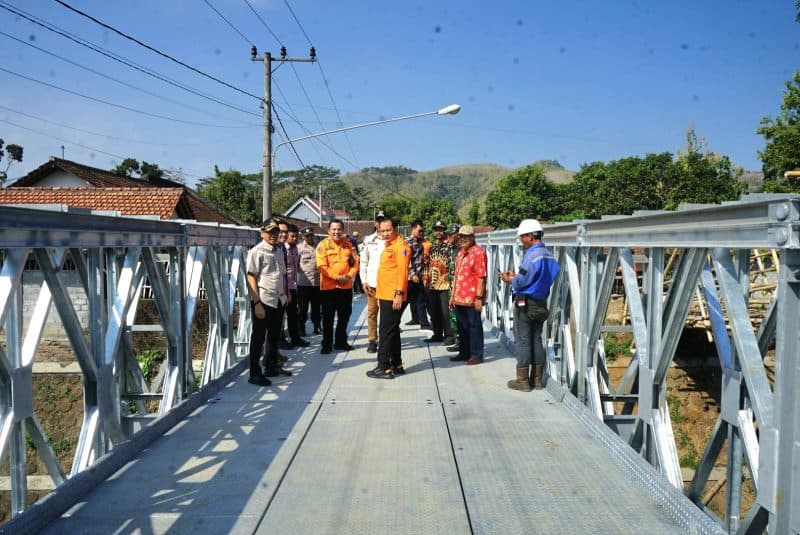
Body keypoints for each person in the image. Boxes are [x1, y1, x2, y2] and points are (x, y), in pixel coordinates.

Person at [500, 219, 560, 390]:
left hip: (525, 303)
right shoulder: (549, 255)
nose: (521, 240)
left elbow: (521, 282)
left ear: (530, 236)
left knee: (523, 341)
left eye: (522, 236)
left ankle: (523, 381)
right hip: (541, 302)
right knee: (536, 340)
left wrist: (510, 280)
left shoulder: (532, 255)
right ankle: (537, 380)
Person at [246, 219, 291, 386]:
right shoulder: (257, 251)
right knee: (258, 337)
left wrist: (286, 294)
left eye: (275, 232)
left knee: (274, 335)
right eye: (270, 232)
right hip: (264, 299)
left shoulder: (278, 250)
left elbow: (282, 274)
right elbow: (251, 276)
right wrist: (257, 303)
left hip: (279, 299)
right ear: (262, 233)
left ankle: (271, 366)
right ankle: (254, 373)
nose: (274, 235)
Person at [367, 215, 410, 379]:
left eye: (388, 230)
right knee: (392, 331)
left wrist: (399, 293)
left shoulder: (400, 247)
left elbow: (403, 272)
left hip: (392, 295)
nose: (385, 233)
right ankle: (397, 364)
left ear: (395, 229)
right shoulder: (389, 245)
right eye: (382, 230)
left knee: (385, 331)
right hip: (385, 294)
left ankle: (383, 367)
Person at [316, 219, 360, 354]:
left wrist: (348, 276)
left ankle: (341, 342)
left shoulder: (348, 245)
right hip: (328, 288)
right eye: (333, 229)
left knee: (344, 316)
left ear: (343, 230)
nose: (336, 232)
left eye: (339, 229)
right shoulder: (322, 245)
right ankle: (326, 345)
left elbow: (356, 263)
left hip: (345, 287)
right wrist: (337, 277)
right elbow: (321, 266)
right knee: (328, 318)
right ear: (328, 230)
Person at [449, 225, 488, 365]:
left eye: (466, 236)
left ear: (472, 237)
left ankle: (477, 355)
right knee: (462, 327)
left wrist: (478, 298)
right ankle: (464, 352)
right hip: (459, 298)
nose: (463, 239)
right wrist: (452, 297)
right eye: (461, 236)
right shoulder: (461, 253)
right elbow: (456, 276)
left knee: (474, 327)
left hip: (471, 298)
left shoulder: (478, 253)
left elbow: (481, 277)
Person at [423, 220, 456, 346]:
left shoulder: (449, 247)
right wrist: (426, 279)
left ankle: (449, 335)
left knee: (445, 312)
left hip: (445, 283)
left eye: (441, 229)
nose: (438, 232)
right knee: (434, 311)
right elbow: (427, 263)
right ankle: (437, 334)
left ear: (444, 231)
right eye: (436, 230)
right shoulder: (432, 247)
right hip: (433, 283)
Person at [359, 211, 386, 353]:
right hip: (372, 284)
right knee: (372, 313)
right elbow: (364, 262)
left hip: (387, 285)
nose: (381, 224)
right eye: (379, 221)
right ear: (375, 223)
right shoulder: (368, 240)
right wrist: (363, 281)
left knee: (387, 314)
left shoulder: (393, 239)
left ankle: (385, 339)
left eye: (384, 220)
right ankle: (372, 340)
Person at [284, 223, 310, 348]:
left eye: (296, 237)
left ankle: (295, 338)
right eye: (292, 237)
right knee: (280, 317)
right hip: (283, 288)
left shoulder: (295, 249)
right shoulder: (282, 249)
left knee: (293, 314)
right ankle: (281, 341)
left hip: (294, 285)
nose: (295, 239)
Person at [404, 220, 431, 329]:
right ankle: (394, 323)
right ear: (413, 229)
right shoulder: (407, 243)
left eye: (422, 231)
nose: (421, 232)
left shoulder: (421, 242)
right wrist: (412, 274)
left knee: (421, 301)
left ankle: (424, 324)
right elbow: (407, 260)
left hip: (420, 276)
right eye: (420, 230)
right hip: (411, 277)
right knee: (404, 302)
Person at [297, 227, 321, 336]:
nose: (310, 237)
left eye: (311, 235)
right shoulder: (299, 248)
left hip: (317, 283)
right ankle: (301, 328)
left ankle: (317, 327)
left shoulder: (318, 247)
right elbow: (295, 264)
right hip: (304, 283)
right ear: (302, 236)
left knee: (316, 307)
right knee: (303, 308)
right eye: (307, 236)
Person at [446, 224, 461, 352]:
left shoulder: (462, 250)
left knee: (459, 315)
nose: (448, 237)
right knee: (453, 315)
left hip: (460, 287)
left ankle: (462, 342)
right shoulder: (450, 249)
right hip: (451, 285)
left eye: (451, 234)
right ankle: (457, 340)